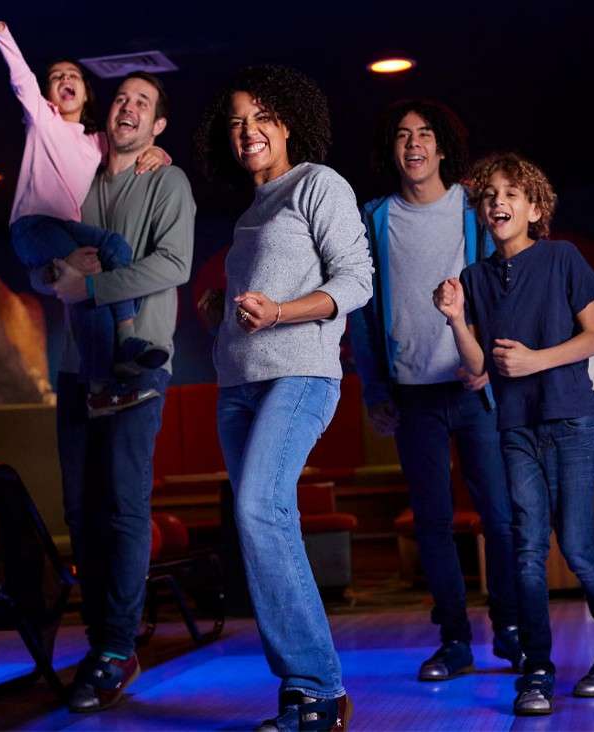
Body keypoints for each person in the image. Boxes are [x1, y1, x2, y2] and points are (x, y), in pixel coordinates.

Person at [195, 65, 372, 732]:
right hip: (238, 384)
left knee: (256, 505)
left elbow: (357, 280)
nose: (248, 131)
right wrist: (224, 311)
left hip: (301, 375)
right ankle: (300, 693)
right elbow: (259, 298)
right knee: (260, 521)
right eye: (237, 121)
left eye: (261, 116)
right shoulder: (250, 214)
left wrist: (280, 314)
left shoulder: (318, 184)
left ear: (288, 121)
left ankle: (322, 689)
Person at [433, 152, 594, 716]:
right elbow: (478, 366)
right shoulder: (475, 279)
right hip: (515, 428)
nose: (498, 203)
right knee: (526, 552)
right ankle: (538, 670)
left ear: (534, 207)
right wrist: (455, 318)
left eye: (510, 194)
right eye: (489, 196)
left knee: (575, 545)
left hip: (570, 419)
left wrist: (535, 361)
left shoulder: (561, 258)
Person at [348, 99, 523, 682]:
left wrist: (492, 363)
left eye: (424, 134)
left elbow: (507, 285)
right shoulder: (374, 218)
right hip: (412, 394)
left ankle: (512, 628)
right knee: (432, 522)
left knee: (499, 518)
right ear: (392, 150)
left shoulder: (475, 209)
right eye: (402, 135)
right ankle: (454, 639)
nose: (413, 143)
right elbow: (361, 311)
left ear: (443, 147)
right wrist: (374, 387)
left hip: (475, 389)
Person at [39, 70, 195, 712]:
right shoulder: (75, 175)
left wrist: (92, 285)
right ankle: (103, 637)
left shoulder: (167, 178)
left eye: (144, 103)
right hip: (77, 367)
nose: (129, 108)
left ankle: (116, 646)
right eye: (123, 98)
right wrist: (59, 271)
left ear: (158, 127)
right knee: (79, 511)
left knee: (124, 509)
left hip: (136, 369)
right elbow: (46, 258)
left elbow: (175, 264)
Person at [0, 17, 171, 416]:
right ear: (50, 94)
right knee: (86, 282)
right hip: (32, 226)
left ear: (86, 94)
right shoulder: (43, 122)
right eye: (56, 77)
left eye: (73, 76)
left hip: (65, 228)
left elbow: (133, 144)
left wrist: (159, 153)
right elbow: (21, 80)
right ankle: (100, 388)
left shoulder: (96, 143)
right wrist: (4, 36)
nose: (65, 79)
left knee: (115, 247)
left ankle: (126, 340)